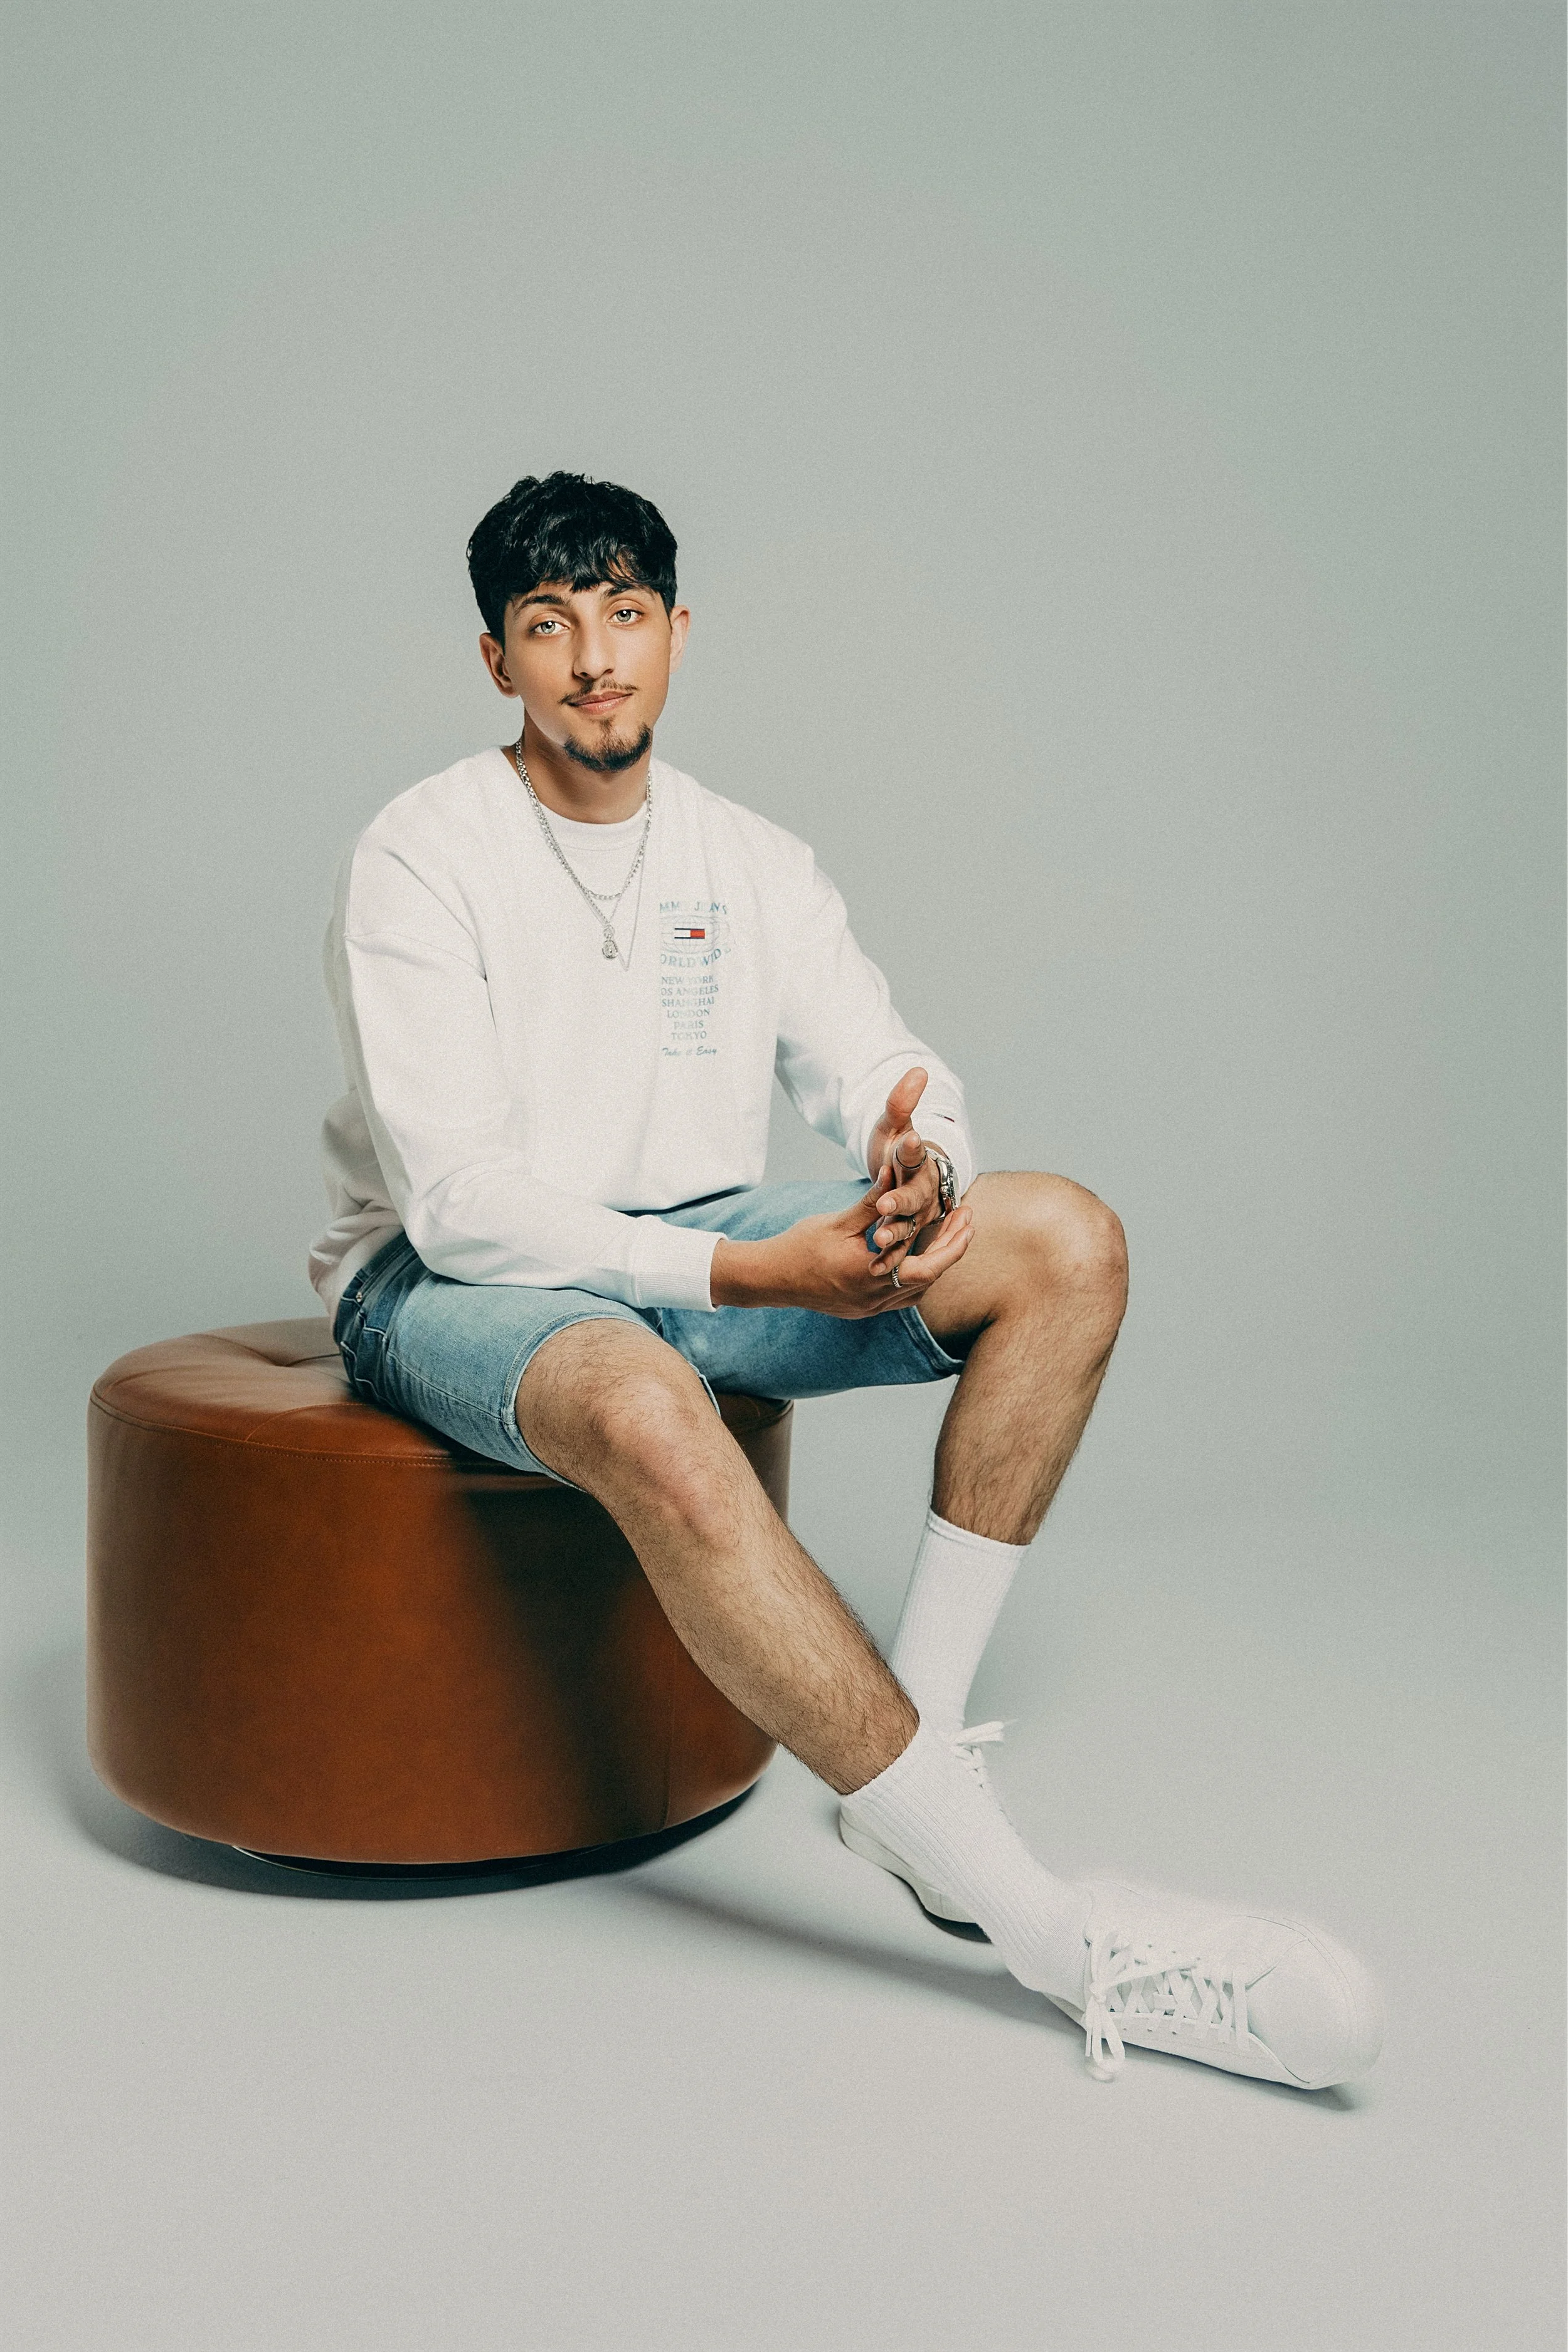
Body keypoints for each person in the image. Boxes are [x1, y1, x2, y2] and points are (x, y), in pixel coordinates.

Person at [310, 471, 1382, 2089]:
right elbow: (462, 1207)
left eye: (624, 615)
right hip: (445, 1281)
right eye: (548, 625)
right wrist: (745, 1272)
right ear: (496, 659)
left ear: (679, 633)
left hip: (697, 1234)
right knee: (642, 1394)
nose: (594, 660)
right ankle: (1039, 1924)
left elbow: (883, 1061)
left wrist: (918, 1157)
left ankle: (911, 1768)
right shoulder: (421, 853)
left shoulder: (749, 858)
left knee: (1064, 1240)